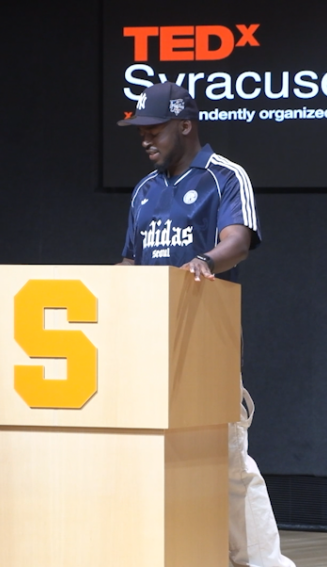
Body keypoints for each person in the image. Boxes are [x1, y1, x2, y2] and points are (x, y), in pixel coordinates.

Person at [116, 81, 296, 567]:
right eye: (140, 133)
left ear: (184, 125)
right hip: (149, 348)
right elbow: (132, 259)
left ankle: (264, 561)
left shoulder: (225, 176)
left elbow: (238, 241)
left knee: (229, 461)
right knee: (157, 458)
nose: (145, 140)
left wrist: (205, 261)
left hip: (205, 347)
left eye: (153, 130)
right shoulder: (144, 191)